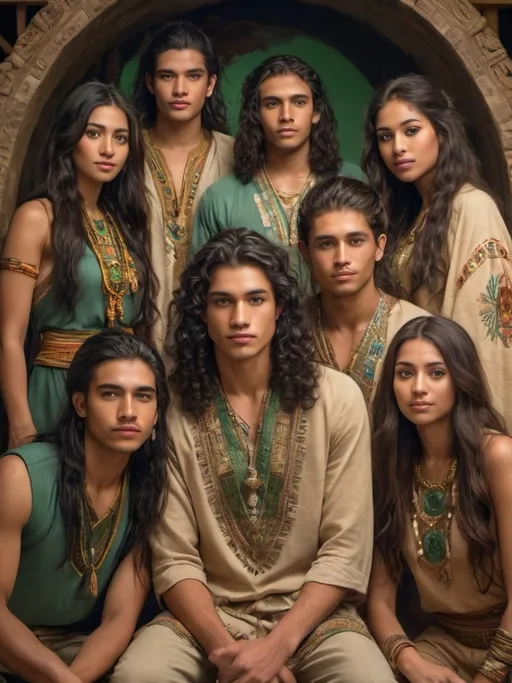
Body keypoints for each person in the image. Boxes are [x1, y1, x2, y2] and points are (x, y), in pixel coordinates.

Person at [112, 228, 395, 683]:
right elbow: (174, 557)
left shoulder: (338, 399)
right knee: (138, 676)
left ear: (280, 308)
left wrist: (278, 645)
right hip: (207, 618)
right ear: (202, 314)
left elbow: (346, 549)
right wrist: (231, 652)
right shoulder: (171, 408)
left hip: (315, 621)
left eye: (256, 300)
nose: (239, 317)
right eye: (222, 301)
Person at [0, 329, 170, 683]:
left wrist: (70, 677)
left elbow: (118, 619)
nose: (128, 411)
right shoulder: (21, 477)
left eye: (143, 396)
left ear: (156, 414)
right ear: (80, 404)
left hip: (73, 653)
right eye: (110, 394)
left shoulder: (148, 487)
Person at [0, 81, 157, 446]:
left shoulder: (123, 221)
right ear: (70, 138)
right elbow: (9, 335)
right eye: (94, 133)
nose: (108, 150)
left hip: (122, 399)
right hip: (57, 391)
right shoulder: (37, 217)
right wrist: (21, 424)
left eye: (120, 138)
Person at [362, 73, 512, 430]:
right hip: (420, 399)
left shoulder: (472, 207)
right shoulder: (412, 214)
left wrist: (480, 429)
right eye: (386, 137)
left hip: (460, 411)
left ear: (441, 132)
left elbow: (486, 336)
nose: (398, 147)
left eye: (411, 130)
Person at [368, 315, 512, 683]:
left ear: (460, 379)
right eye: (404, 374)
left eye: (436, 373)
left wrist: (488, 676)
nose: (419, 387)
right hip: (444, 641)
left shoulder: (497, 456)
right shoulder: (390, 465)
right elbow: (380, 600)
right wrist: (412, 663)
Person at [191, 55, 365, 293]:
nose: (286, 115)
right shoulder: (221, 199)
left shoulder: (351, 181)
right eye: (272, 103)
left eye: (299, 102)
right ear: (256, 114)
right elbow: (202, 292)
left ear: (316, 112)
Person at [132, 20, 234, 355]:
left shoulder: (236, 156)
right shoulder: (124, 154)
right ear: (150, 82)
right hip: (135, 332)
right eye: (167, 76)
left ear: (210, 84)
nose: (180, 89)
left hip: (219, 338)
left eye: (193, 76)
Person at [298, 176, 427, 407]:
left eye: (355, 241)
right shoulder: (289, 330)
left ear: (379, 247)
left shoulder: (418, 329)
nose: (342, 259)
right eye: (326, 244)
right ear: (305, 252)